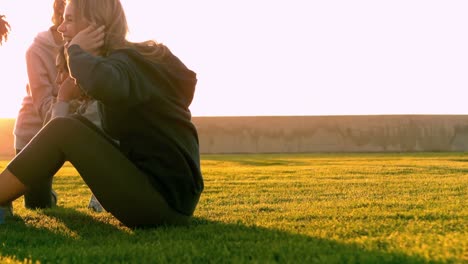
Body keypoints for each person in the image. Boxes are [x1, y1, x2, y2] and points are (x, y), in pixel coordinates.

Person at [0, 0, 203, 228]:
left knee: (64, 129)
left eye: (69, 19)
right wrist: (69, 96)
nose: (61, 28)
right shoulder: (129, 60)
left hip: (162, 202)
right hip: (167, 199)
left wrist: (75, 52)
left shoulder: (126, 62)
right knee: (69, 125)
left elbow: (106, 82)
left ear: (93, 25)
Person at [12, 0, 104, 213]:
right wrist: (66, 97)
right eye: (66, 16)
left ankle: (102, 196)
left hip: (81, 124)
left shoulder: (100, 44)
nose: (65, 25)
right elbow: (45, 108)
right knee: (37, 205)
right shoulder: (36, 51)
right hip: (35, 131)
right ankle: (44, 195)